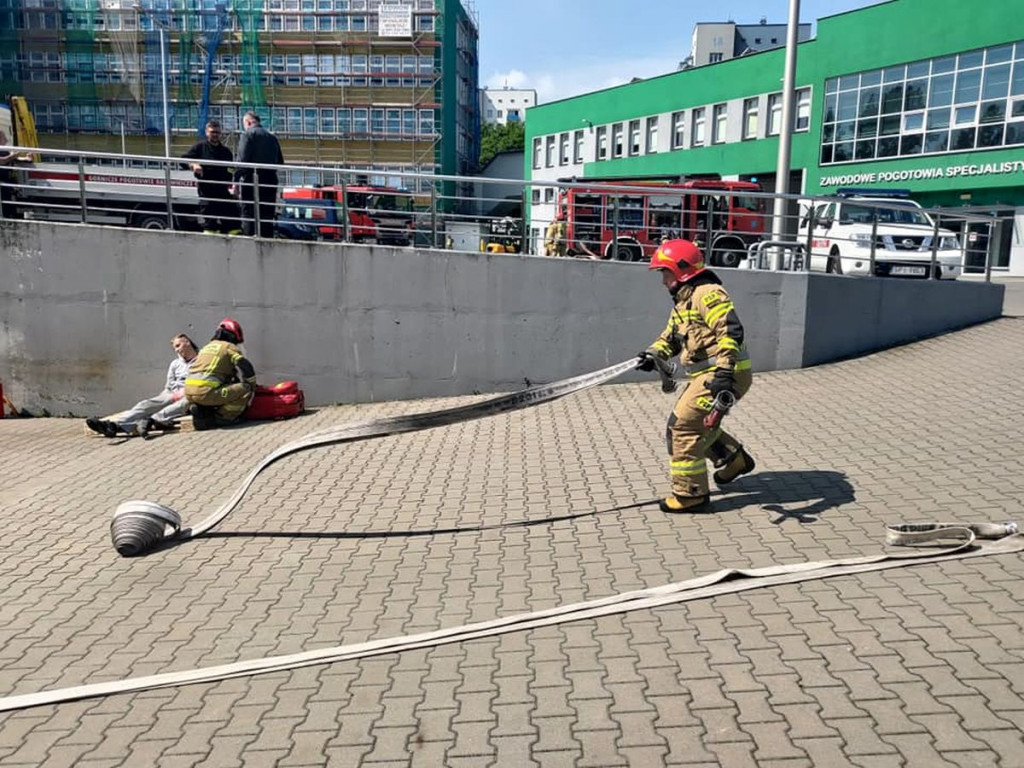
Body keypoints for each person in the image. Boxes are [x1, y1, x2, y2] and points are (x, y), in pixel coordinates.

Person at [637, 239, 755, 513]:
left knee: (681, 428)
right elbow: (671, 339)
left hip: (725, 373)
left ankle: (690, 494)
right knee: (697, 425)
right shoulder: (683, 302)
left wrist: (724, 373)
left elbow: (730, 331)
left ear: (681, 271)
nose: (663, 281)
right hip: (711, 374)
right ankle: (733, 459)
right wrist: (652, 354)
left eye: (665, 273)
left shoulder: (708, 294)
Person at [86, 334, 199, 438]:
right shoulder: (175, 364)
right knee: (146, 405)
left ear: (187, 342)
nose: (177, 350)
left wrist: (183, 392)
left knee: (177, 404)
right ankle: (112, 426)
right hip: (172, 394)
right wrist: (161, 399)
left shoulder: (201, 360)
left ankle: (148, 420)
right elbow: (168, 386)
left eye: (178, 346)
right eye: (175, 348)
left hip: (190, 394)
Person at [184, 317, 257, 430]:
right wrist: (252, 384)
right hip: (207, 392)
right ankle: (224, 418)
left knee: (221, 387)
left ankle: (202, 412)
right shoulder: (229, 347)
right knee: (245, 388)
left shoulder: (207, 347)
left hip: (189, 392)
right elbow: (244, 365)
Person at [231, 112, 284, 239]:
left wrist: (235, 182)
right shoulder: (272, 137)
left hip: (251, 179)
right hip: (270, 180)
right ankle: (267, 242)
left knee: (249, 213)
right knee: (267, 215)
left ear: (248, 122)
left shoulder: (247, 135)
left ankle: (249, 240)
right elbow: (280, 162)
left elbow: (242, 161)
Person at [182, 120, 239, 234]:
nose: (215, 135)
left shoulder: (226, 152)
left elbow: (231, 170)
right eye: (212, 132)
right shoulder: (200, 147)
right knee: (210, 226)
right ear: (206, 132)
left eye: (217, 132)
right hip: (206, 191)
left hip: (222, 191)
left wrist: (235, 186)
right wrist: (193, 165)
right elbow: (183, 160)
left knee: (233, 225)